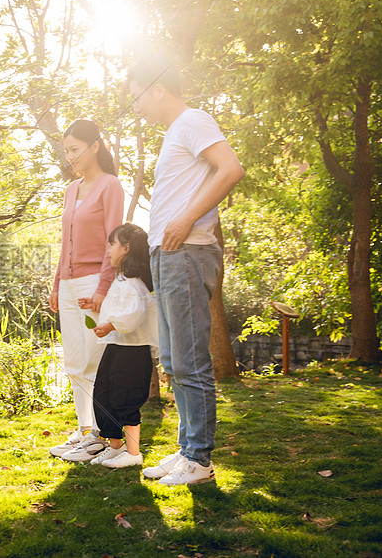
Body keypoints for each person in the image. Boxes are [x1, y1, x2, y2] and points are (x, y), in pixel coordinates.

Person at [128, 55, 244, 485]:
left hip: (186, 252)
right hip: (169, 256)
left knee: (190, 361)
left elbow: (231, 169)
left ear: (158, 89)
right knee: (176, 361)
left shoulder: (193, 119)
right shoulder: (176, 132)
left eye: (137, 95)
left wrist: (184, 220)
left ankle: (199, 460)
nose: (136, 105)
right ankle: (186, 451)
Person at [48, 119, 124, 462]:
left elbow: (115, 243)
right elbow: (64, 244)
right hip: (67, 284)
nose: (70, 157)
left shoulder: (111, 187)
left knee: (94, 359)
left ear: (94, 146)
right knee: (74, 362)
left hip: (94, 283)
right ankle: (85, 431)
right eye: (66, 151)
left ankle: (98, 433)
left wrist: (103, 290)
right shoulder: (70, 189)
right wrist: (56, 284)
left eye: (75, 149)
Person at [78, 223, 158, 468]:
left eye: (112, 244)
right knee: (104, 395)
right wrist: (93, 303)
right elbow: (119, 309)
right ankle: (115, 446)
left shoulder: (134, 282)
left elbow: (134, 314)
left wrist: (111, 325)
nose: (108, 250)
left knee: (126, 398)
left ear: (126, 248)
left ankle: (134, 454)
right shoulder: (121, 279)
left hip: (133, 351)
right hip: (117, 347)